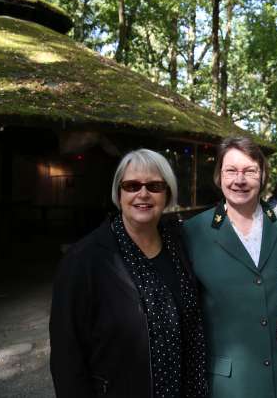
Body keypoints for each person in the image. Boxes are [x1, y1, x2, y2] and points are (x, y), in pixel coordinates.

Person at [49, 149, 207, 398]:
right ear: (119, 193)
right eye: (132, 185)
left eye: (154, 186)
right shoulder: (85, 260)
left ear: (167, 194)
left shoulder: (181, 246)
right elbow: (66, 355)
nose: (143, 194)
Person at [183, 136, 277, 398]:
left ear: (263, 175)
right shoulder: (194, 232)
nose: (240, 180)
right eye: (231, 171)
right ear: (219, 176)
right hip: (228, 386)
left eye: (249, 171)